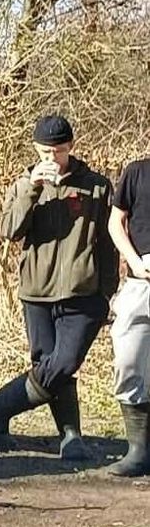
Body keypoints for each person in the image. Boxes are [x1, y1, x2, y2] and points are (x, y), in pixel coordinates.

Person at [0, 115, 115, 458]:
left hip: (83, 293)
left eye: (59, 150)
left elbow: (109, 243)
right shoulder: (23, 184)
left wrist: (108, 292)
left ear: (71, 147)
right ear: (35, 149)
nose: (52, 158)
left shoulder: (96, 185)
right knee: (48, 363)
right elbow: (9, 230)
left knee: (64, 362)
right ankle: (71, 437)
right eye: (45, 151)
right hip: (36, 292)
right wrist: (31, 189)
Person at [107, 153, 150, 476]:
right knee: (128, 358)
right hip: (140, 282)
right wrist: (135, 263)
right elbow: (115, 222)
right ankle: (138, 450)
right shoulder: (136, 172)